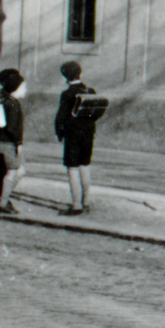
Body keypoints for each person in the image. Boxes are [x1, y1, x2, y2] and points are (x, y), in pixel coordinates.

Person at [55, 59, 98, 215]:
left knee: (72, 169)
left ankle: (76, 205)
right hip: (88, 134)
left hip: (72, 135)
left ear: (65, 77)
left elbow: (60, 117)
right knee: (85, 166)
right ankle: (86, 202)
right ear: (80, 73)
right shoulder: (90, 91)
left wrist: (59, 133)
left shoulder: (67, 94)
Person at [0, 67, 27, 215]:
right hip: (9, 144)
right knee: (13, 172)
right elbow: (12, 128)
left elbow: (0, 123)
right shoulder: (13, 104)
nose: (25, 89)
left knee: (3, 173)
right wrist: (18, 144)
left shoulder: (1, 100)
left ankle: (0, 200)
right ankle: (2, 202)